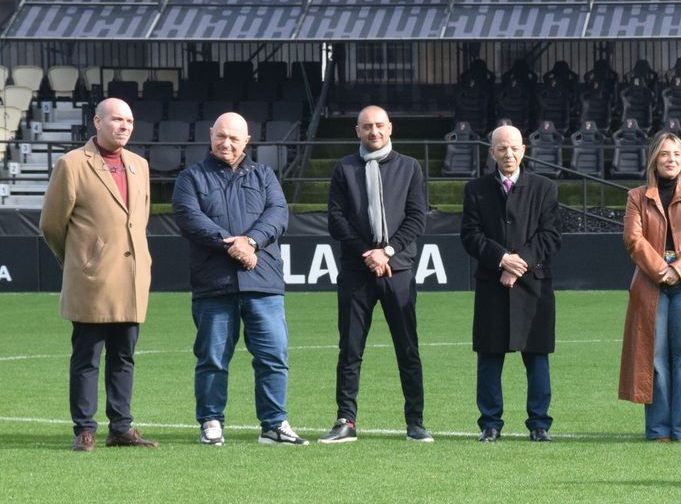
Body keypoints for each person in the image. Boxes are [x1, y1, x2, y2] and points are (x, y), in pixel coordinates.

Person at [171, 112, 307, 446]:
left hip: (263, 282)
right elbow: (190, 218)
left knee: (273, 357)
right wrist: (233, 245)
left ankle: (274, 425)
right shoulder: (190, 178)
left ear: (247, 141)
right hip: (214, 284)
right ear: (210, 135)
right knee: (213, 359)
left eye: (234, 138)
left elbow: (278, 214)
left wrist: (252, 242)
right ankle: (211, 421)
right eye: (221, 136)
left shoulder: (264, 175)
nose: (226, 143)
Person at [39, 97, 158, 451]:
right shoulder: (72, 164)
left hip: (131, 279)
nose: (124, 126)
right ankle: (85, 429)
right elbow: (50, 224)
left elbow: (140, 220)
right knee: (87, 356)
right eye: (117, 120)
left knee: (124, 356)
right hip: (92, 281)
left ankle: (121, 427)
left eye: (129, 121)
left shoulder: (139, 165)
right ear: (97, 122)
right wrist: (79, 260)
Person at [318, 105, 433, 443]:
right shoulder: (344, 169)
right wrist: (367, 253)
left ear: (390, 128)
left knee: (407, 348)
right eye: (367, 126)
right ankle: (345, 421)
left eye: (379, 125)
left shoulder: (410, 167)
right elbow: (336, 220)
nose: (374, 132)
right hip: (357, 270)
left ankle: (415, 422)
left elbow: (416, 218)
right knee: (350, 349)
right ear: (357, 131)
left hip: (397, 270)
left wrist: (387, 251)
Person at [461, 124, 561, 442]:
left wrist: (518, 264)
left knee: (537, 356)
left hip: (534, 286)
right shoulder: (475, 189)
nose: (509, 154)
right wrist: (501, 259)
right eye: (502, 148)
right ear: (492, 152)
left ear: (524, 150)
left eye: (514, 147)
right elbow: (470, 235)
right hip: (492, 284)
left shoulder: (544, 188)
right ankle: (490, 423)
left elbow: (550, 236)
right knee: (489, 356)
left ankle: (539, 424)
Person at [619, 133, 681, 439]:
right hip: (650, 281)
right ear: (654, 159)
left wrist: (677, 268)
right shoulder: (637, 196)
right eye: (665, 154)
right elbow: (633, 240)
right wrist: (661, 269)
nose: (671, 159)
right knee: (655, 356)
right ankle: (658, 429)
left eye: (676, 154)